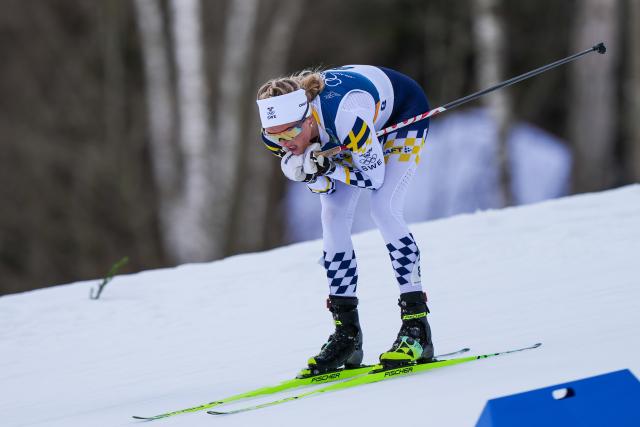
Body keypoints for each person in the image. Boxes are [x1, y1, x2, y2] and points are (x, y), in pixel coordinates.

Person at [256, 65, 434, 375]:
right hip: (339, 138)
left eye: (291, 132)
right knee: (332, 214)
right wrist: (313, 173)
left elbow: (374, 178)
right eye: (275, 135)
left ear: (308, 118)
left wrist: (324, 168)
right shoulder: (280, 138)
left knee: (384, 208)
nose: (285, 142)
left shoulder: (345, 115)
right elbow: (323, 187)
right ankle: (347, 334)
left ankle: (417, 327)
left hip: (399, 115)